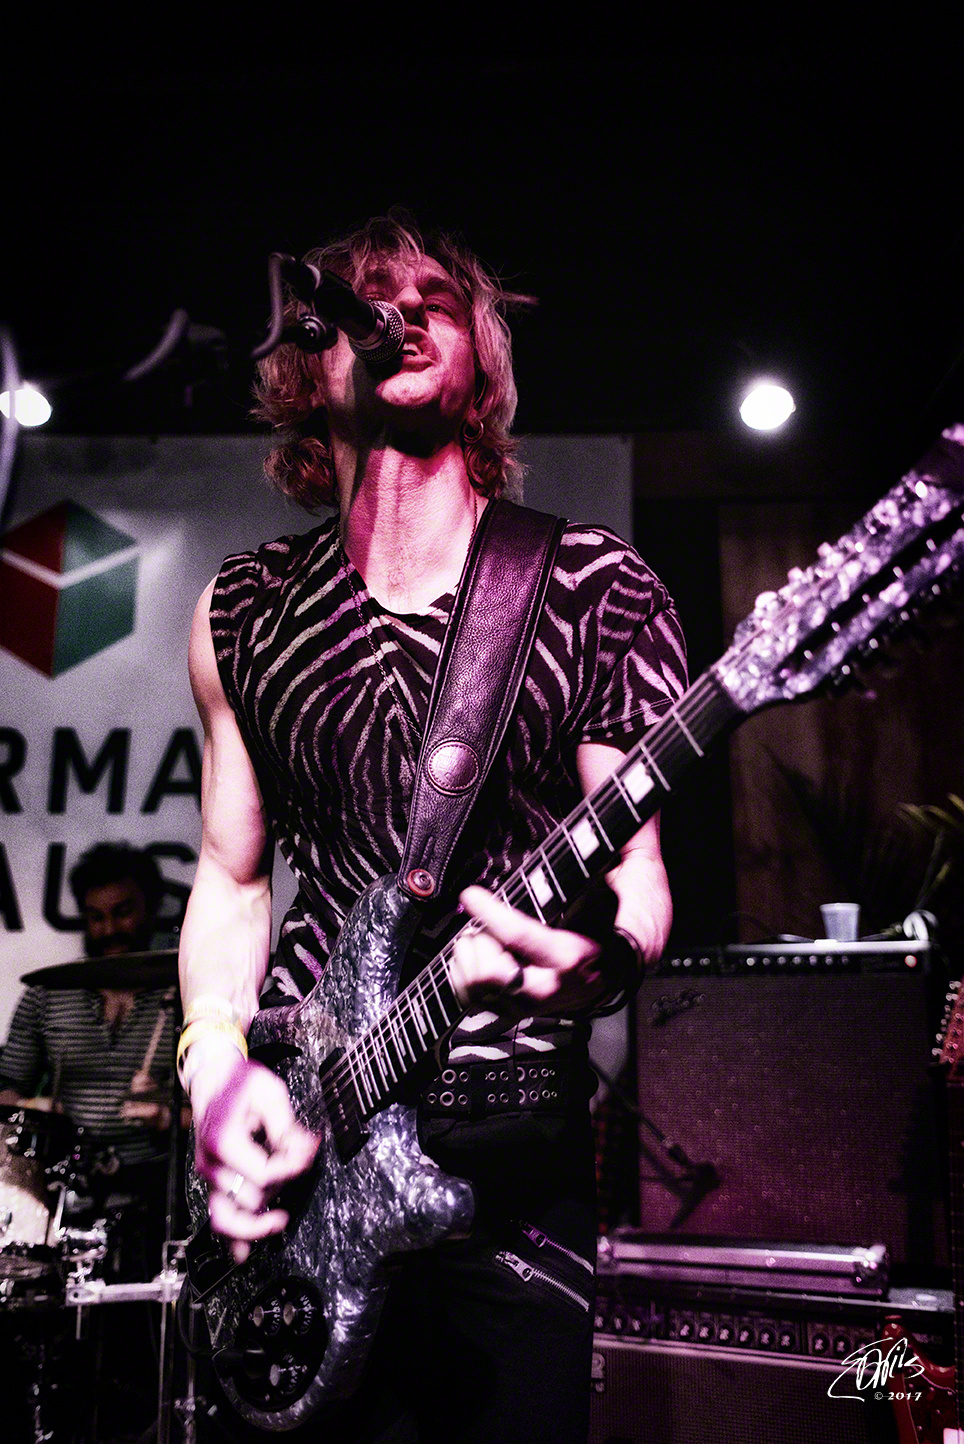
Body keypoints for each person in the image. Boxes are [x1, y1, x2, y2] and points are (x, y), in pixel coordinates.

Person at [178, 213, 686, 1443]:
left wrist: (597, 964)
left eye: (433, 300)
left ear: (481, 366)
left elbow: (636, 880)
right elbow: (232, 882)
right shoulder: (241, 609)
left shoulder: (592, 587)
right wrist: (215, 1067)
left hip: (503, 1151)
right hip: (299, 1147)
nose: (398, 314)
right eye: (366, 300)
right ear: (312, 358)